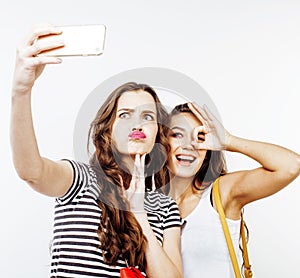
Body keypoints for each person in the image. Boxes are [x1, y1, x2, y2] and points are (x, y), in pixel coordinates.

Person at [10, 25, 183, 278]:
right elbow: (31, 172)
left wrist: (140, 217)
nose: (137, 124)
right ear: (108, 129)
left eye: (147, 116)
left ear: (157, 132)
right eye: (125, 115)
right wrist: (21, 91)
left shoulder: (165, 207)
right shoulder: (81, 180)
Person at [166, 102, 300, 278]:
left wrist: (228, 141)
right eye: (177, 134)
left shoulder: (220, 193)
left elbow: (290, 166)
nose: (189, 145)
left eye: (199, 137)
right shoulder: (149, 205)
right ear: (162, 142)